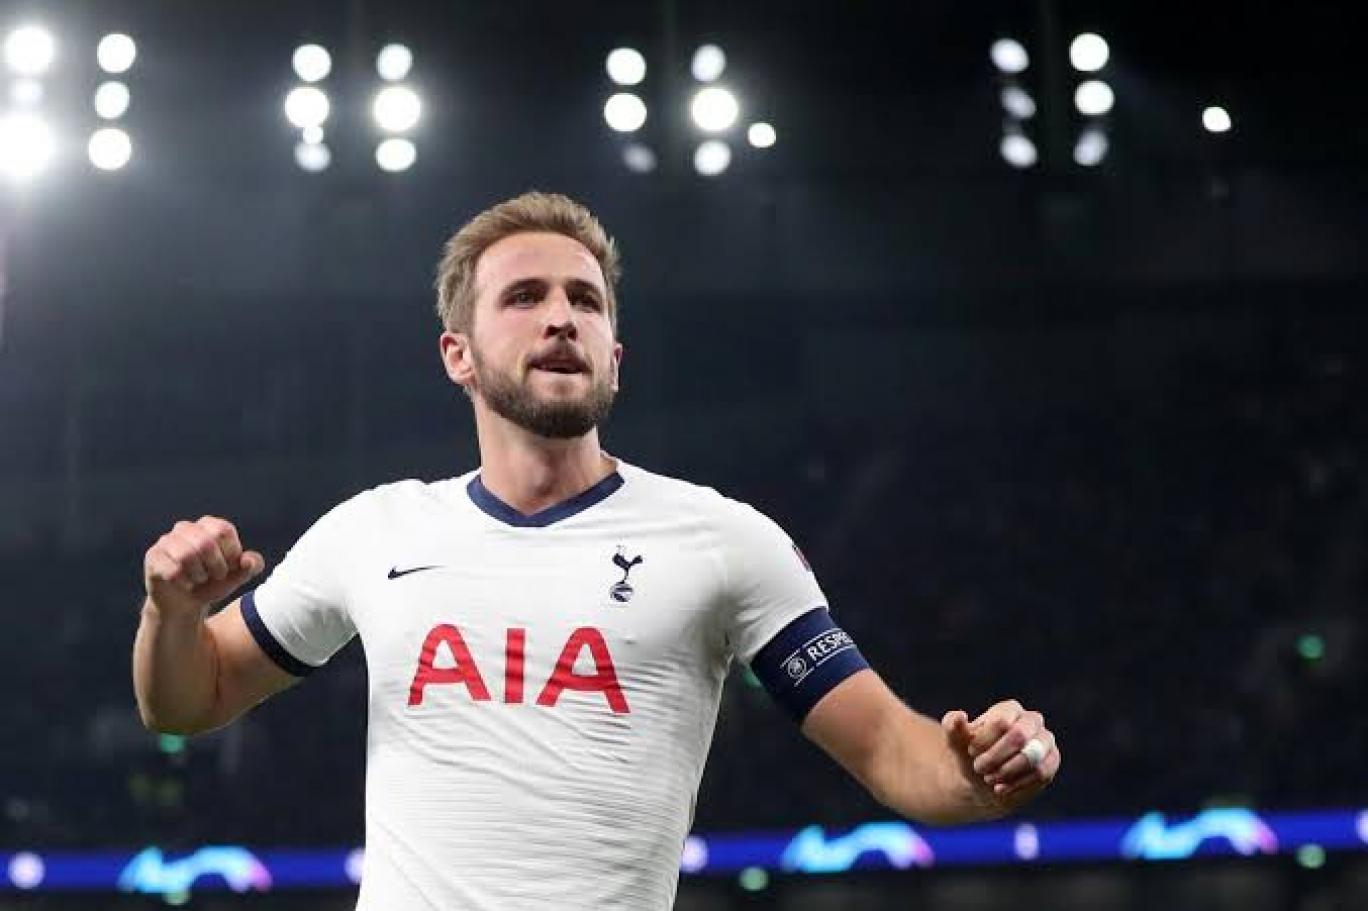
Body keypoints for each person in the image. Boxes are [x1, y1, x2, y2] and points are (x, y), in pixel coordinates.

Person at [133, 192, 1060, 909]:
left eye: (587, 300)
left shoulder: (724, 540)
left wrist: (979, 771)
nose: (562, 317)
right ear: (458, 354)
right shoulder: (374, 530)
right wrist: (170, 614)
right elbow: (188, 697)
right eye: (525, 296)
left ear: (615, 354)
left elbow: (891, 748)